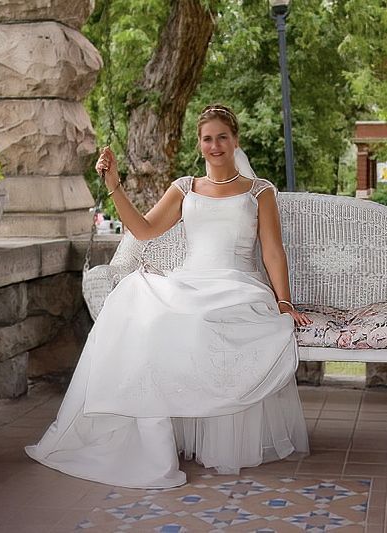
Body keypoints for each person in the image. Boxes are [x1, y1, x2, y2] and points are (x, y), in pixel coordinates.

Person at [25, 104, 311, 488]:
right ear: (200, 144)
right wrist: (114, 185)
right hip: (190, 280)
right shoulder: (184, 188)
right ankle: (148, 438)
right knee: (142, 310)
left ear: (235, 140)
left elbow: (273, 252)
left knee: (197, 320)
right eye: (207, 139)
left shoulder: (259, 192)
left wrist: (284, 302)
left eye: (222, 137)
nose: (215, 145)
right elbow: (143, 231)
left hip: (238, 284)